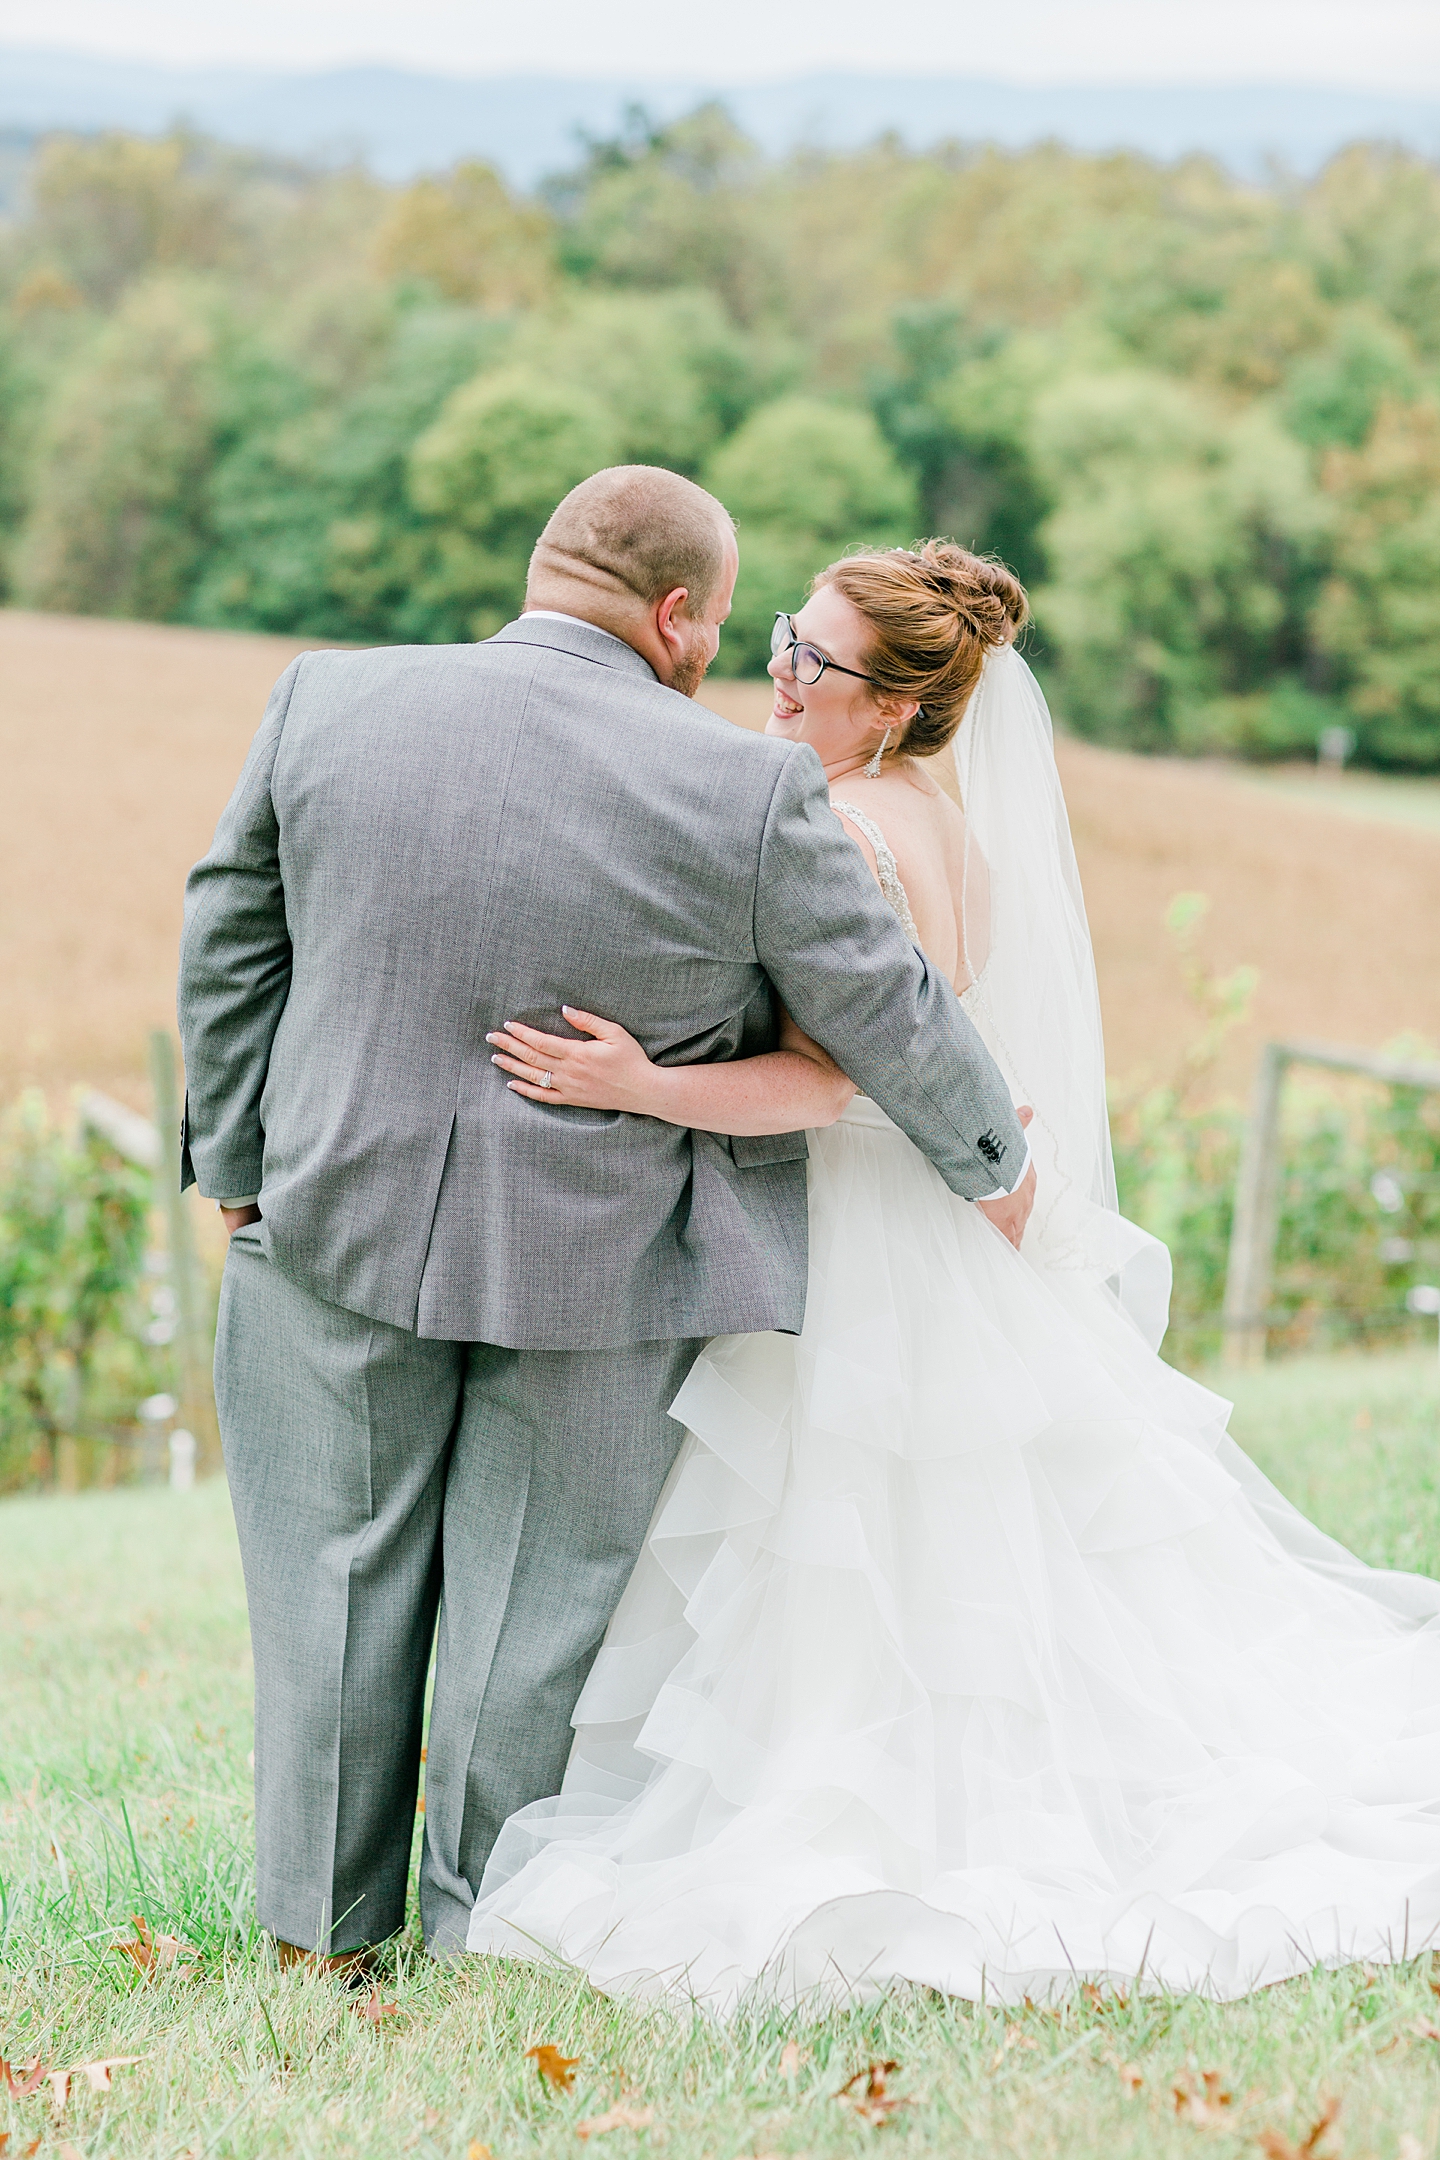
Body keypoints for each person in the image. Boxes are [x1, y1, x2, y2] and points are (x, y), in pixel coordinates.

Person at [467, 540, 1440, 2008]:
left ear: (898, 710)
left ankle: (868, 1805)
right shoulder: (943, 822)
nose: (781, 668)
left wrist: (641, 1082)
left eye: (818, 663)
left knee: (853, 1527)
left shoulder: (841, 825)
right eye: (788, 632)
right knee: (985, 1538)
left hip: (868, 1234)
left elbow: (831, 1085)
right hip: (947, 1226)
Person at [176, 471, 1032, 1969]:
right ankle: (481, 1935)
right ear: (680, 613)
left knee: (327, 1590)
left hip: (326, 1226)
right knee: (532, 1616)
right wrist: (994, 1162)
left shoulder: (325, 702)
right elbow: (881, 1006)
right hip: (603, 1267)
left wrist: (238, 1158)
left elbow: (231, 935)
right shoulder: (744, 790)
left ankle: (322, 1940)